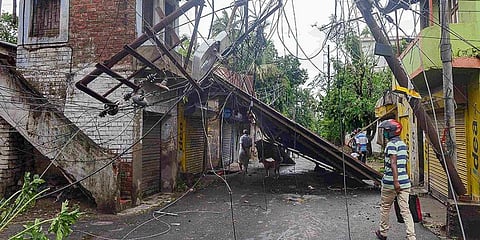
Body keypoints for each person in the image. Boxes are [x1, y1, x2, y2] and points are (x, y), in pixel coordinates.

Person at [376, 119, 415, 240]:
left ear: (391, 132)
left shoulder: (391, 145)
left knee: (385, 207)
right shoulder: (403, 144)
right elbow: (403, 164)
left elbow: (393, 163)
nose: (385, 133)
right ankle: (411, 236)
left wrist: (396, 181)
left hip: (391, 183)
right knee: (405, 210)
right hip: (405, 182)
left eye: (386, 131)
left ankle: (383, 233)